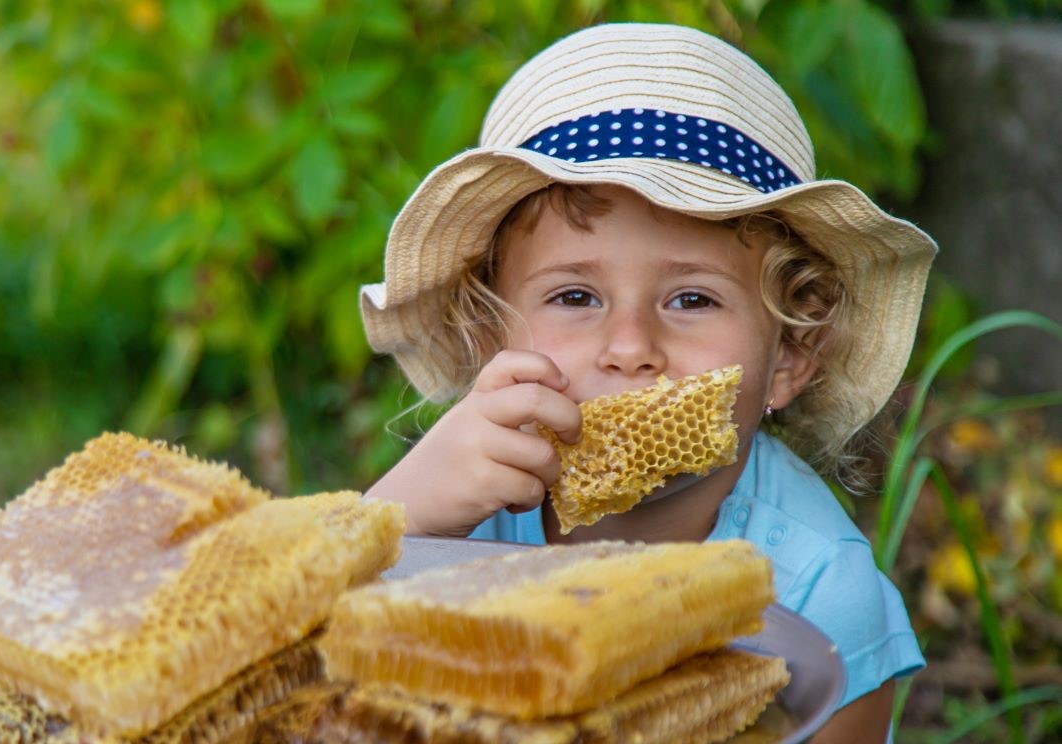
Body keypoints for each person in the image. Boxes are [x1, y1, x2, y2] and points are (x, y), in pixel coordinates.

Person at [360, 23, 933, 743]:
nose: (631, 350)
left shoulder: (821, 596)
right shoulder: (455, 513)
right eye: (575, 297)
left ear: (788, 356)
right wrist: (395, 522)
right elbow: (289, 659)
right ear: (487, 341)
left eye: (692, 300)